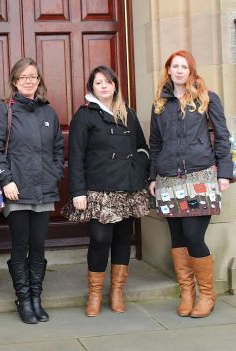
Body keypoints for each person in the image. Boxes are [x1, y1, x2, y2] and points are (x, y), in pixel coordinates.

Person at [149, 50, 232, 318]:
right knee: (178, 238)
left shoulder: (207, 98)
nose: (180, 70)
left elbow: (222, 136)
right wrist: (152, 176)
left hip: (200, 176)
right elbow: (155, 144)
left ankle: (207, 293)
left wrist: (225, 173)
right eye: (175, 66)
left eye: (185, 66)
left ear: (191, 70)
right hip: (169, 178)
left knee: (195, 236)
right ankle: (187, 292)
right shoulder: (160, 104)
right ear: (169, 70)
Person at [66, 65, 150, 317]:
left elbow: (142, 147)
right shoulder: (84, 116)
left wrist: (138, 169)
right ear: (92, 87)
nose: (104, 86)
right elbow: (76, 155)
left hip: (128, 187)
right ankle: (94, 294)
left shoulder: (128, 114)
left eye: (108, 82)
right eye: (98, 82)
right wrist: (77, 191)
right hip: (98, 189)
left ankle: (116, 292)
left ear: (115, 85)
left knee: (123, 238)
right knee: (101, 239)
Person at [0, 57, 64, 324]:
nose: (29, 81)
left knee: (39, 246)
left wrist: (54, 174)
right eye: (23, 77)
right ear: (14, 81)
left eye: (33, 76)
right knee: (20, 246)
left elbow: (57, 150)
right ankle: (23, 298)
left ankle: (36, 297)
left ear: (39, 80)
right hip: (16, 192)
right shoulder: (3, 111)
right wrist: (6, 180)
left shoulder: (48, 112)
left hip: (44, 191)